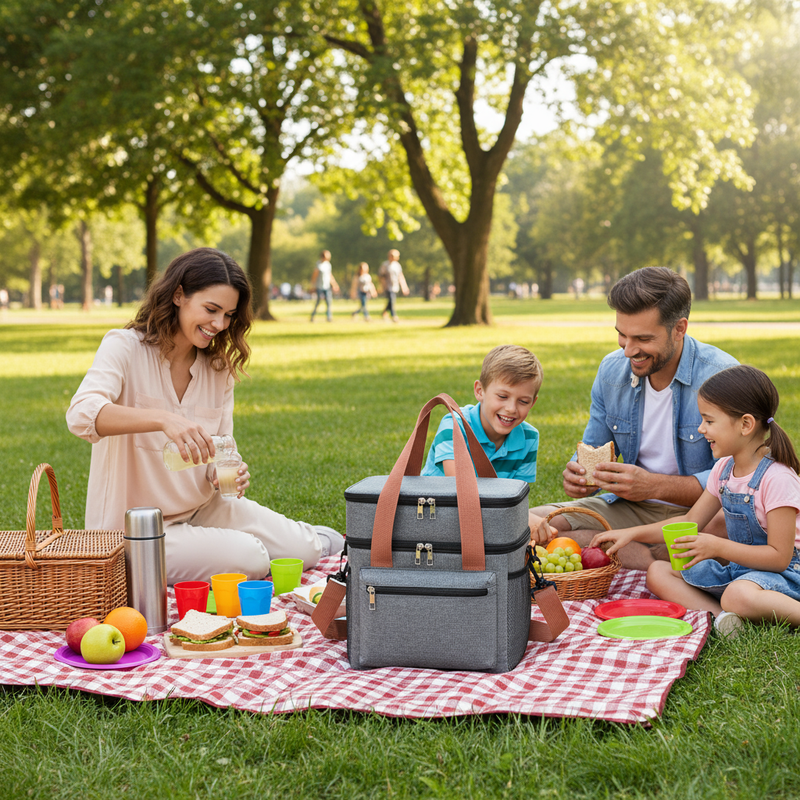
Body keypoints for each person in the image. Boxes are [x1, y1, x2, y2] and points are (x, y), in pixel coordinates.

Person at [67, 247, 344, 584]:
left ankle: (314, 540)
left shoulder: (217, 368)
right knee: (250, 558)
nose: (219, 324)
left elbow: (221, 448)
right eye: (211, 309)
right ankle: (248, 548)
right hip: (134, 531)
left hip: (203, 509)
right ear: (179, 295)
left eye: (228, 314)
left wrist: (228, 472)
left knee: (306, 550)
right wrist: (163, 419)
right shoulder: (124, 347)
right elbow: (81, 415)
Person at [531, 267, 738, 569]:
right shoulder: (612, 370)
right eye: (621, 334)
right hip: (631, 507)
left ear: (679, 328)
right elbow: (592, 446)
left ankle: (625, 552)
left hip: (704, 513)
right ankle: (643, 555)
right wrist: (581, 477)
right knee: (534, 523)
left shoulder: (722, 376)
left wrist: (655, 486)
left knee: (724, 527)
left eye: (642, 338)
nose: (628, 350)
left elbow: (736, 480)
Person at [592, 365, 800, 638]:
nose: (702, 429)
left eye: (709, 421)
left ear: (746, 424)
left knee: (738, 594)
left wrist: (716, 546)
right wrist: (630, 533)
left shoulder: (777, 479)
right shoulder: (723, 470)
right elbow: (690, 522)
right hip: (743, 573)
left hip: (787, 576)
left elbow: (779, 558)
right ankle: (723, 619)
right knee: (658, 571)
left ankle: (743, 606)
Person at [421, 344, 556, 543]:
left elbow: (515, 496)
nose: (511, 408)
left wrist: (521, 518)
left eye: (523, 401)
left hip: (488, 521)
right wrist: (521, 517)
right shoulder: (454, 426)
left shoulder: (529, 438)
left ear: (533, 402)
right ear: (480, 390)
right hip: (435, 520)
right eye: (502, 396)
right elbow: (461, 490)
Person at [378, 249, 409, 322]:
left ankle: (384, 312)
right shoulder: (385, 265)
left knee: (391, 300)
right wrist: (382, 285)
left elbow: (400, 276)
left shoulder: (397, 265)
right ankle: (394, 315)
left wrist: (404, 287)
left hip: (395, 286)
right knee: (392, 300)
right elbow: (381, 276)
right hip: (387, 286)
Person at [310, 250, 339, 322]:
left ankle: (329, 317)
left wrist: (334, 284)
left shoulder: (328, 265)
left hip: (327, 286)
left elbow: (330, 275)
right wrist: (312, 285)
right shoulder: (318, 264)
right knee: (318, 302)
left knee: (329, 302)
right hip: (319, 286)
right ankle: (313, 316)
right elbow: (314, 275)